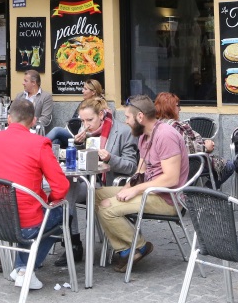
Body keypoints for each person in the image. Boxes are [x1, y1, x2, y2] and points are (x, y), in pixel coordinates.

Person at [0, 99, 69, 290]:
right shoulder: (40, 143)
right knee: (63, 216)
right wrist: (49, 202)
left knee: (43, 217)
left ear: (9, 119)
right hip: (27, 223)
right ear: (33, 121)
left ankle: (21, 268)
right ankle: (24, 269)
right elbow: (60, 187)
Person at [94, 95, 189, 269]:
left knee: (107, 208)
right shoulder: (144, 136)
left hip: (168, 199)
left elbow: (171, 178)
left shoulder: (165, 135)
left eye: (128, 117)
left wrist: (135, 191)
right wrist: (129, 186)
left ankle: (138, 246)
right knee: (95, 195)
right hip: (150, 191)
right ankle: (127, 249)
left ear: (140, 117)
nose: (126, 122)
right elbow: (140, 171)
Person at [53, 96, 137, 267]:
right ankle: (73, 241)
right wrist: (76, 146)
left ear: (101, 115)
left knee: (70, 188)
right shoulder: (85, 134)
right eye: (83, 120)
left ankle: (69, 237)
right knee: (67, 187)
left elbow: (131, 167)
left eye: (89, 120)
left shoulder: (122, 132)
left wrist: (110, 158)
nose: (86, 124)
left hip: (109, 184)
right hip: (88, 182)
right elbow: (79, 165)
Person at [154, 92, 226, 178]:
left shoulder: (156, 125)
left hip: (163, 168)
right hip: (186, 166)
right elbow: (187, 149)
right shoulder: (174, 126)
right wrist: (206, 147)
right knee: (228, 166)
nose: (180, 109)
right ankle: (205, 190)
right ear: (169, 108)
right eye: (177, 106)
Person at [46, 78, 105, 149]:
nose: (82, 91)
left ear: (93, 92)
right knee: (57, 141)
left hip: (84, 136)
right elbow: (73, 120)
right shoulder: (83, 103)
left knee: (57, 130)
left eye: (85, 89)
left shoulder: (100, 106)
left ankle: (37, 145)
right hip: (74, 133)